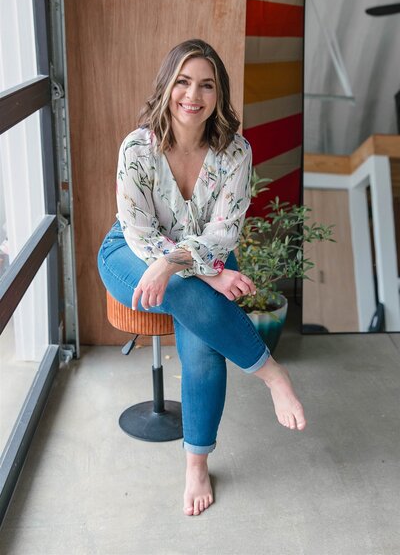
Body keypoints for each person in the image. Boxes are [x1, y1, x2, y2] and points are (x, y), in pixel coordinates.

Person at [97, 38, 306, 517]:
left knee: (204, 354)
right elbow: (139, 231)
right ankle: (271, 373)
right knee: (182, 285)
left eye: (207, 85)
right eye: (184, 82)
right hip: (131, 254)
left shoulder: (235, 152)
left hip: (203, 258)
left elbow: (224, 231)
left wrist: (191, 268)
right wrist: (201, 274)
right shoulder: (137, 148)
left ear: (218, 93)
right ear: (168, 86)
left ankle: (196, 464)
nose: (194, 94)